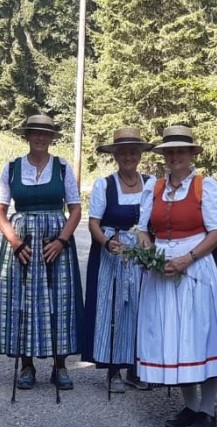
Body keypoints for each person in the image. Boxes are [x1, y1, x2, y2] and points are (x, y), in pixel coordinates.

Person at [136, 125, 217, 427]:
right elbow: (141, 229)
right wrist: (151, 254)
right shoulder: (155, 187)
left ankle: (208, 409)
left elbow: (216, 231)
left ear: (191, 154)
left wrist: (186, 259)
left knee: (198, 334)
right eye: (169, 151)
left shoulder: (205, 186)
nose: (175, 156)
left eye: (180, 150)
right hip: (162, 268)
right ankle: (190, 406)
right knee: (174, 336)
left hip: (196, 266)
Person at [0, 114, 83, 391]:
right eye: (35, 132)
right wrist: (15, 242)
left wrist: (62, 241)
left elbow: (75, 209)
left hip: (56, 242)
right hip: (23, 242)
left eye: (46, 133)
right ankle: (27, 365)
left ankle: (60, 365)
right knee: (22, 301)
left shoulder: (63, 167)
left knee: (61, 301)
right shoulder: (12, 168)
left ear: (52, 137)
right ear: (27, 136)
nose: (41, 137)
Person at [83, 127, 154, 393]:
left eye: (133, 151)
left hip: (142, 252)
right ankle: (113, 369)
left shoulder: (151, 183)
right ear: (115, 155)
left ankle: (136, 369)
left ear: (139, 155)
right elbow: (93, 223)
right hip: (112, 252)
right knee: (113, 309)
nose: (128, 156)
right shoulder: (105, 184)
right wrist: (106, 242)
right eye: (123, 152)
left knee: (141, 307)